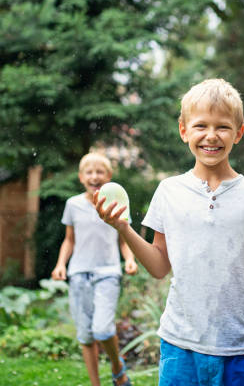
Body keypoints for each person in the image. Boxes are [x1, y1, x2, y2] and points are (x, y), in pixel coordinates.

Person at [94, 78, 244, 386]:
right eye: (201, 125)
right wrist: (123, 227)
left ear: (238, 133)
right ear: (183, 130)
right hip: (180, 344)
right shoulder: (168, 191)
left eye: (223, 127)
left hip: (242, 347)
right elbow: (160, 265)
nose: (211, 136)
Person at [51, 152, 138, 386]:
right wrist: (61, 264)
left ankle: (117, 368)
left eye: (100, 172)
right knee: (87, 336)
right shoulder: (73, 204)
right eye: (89, 172)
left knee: (102, 329)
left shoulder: (116, 203)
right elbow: (69, 240)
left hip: (108, 273)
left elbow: (123, 238)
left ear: (108, 176)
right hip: (78, 275)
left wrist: (129, 259)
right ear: (81, 177)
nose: (94, 176)